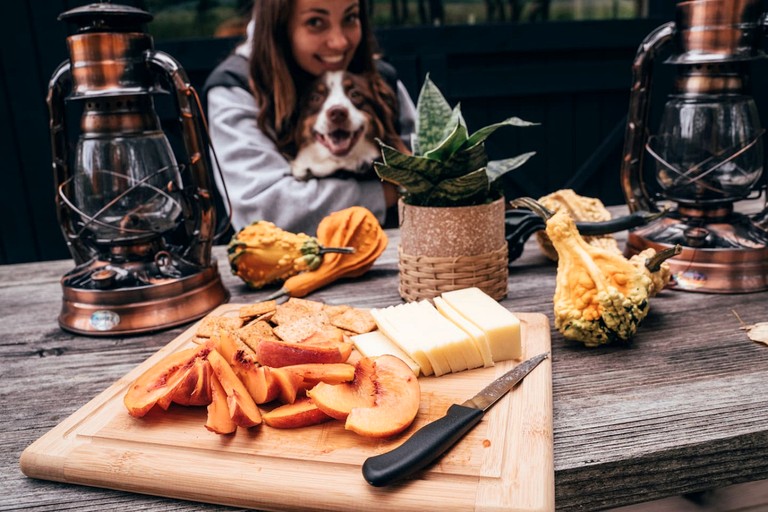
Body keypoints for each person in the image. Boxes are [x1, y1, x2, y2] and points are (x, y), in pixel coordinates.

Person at [204, 0, 416, 236]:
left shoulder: (380, 77)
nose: (339, 42)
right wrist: (385, 194)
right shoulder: (236, 87)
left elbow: (428, 164)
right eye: (315, 22)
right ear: (278, 26)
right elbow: (266, 211)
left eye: (350, 18)